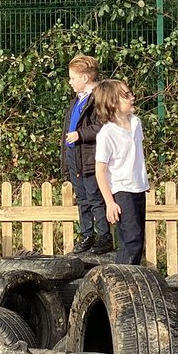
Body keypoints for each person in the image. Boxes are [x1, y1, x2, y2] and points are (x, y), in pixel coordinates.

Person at [92, 79, 150, 265]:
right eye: (126, 95)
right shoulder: (106, 134)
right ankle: (121, 282)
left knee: (138, 240)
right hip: (121, 190)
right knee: (131, 239)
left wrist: (142, 180)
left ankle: (132, 279)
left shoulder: (136, 123)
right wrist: (109, 202)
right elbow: (100, 171)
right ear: (112, 103)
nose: (132, 97)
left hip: (138, 188)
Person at [60, 55, 112, 254]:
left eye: (73, 78)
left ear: (85, 78)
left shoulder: (98, 98)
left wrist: (80, 135)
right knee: (81, 197)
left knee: (94, 196)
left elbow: (102, 126)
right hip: (75, 155)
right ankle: (87, 233)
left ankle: (104, 235)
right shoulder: (76, 101)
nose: (70, 82)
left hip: (90, 156)